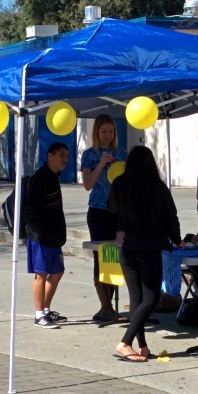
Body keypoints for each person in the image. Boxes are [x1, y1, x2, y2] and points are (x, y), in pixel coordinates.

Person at [109, 145, 182, 362]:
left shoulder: (120, 183)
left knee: (137, 299)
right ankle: (125, 342)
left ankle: (142, 345)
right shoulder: (157, 187)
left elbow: (111, 208)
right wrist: (177, 240)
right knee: (152, 298)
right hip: (149, 247)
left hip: (127, 247)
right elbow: (171, 216)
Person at [81, 114, 128, 322]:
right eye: (103, 131)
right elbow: (87, 184)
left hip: (117, 211)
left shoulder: (122, 153)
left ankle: (109, 306)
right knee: (101, 258)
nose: (107, 135)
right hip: (98, 210)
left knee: (115, 259)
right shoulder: (89, 155)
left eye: (110, 131)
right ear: (96, 132)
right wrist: (101, 164)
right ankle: (105, 305)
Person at [24, 142, 70, 329]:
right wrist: (41, 233)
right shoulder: (39, 179)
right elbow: (31, 212)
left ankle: (46, 309)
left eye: (66, 155)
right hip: (40, 237)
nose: (65, 159)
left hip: (53, 236)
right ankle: (38, 315)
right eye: (61, 155)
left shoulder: (54, 177)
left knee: (57, 271)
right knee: (41, 274)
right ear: (50, 156)